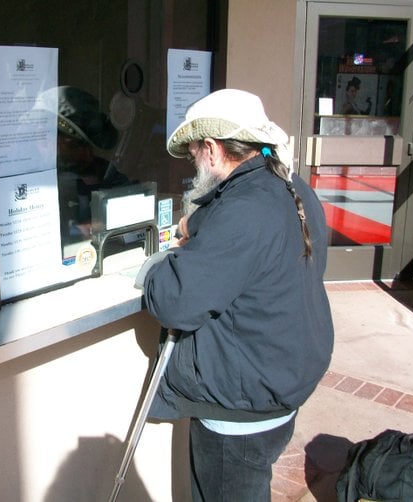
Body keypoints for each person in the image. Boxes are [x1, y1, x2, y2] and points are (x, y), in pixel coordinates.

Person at [136, 89, 334, 501]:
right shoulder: (288, 186)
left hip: (242, 409)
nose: (193, 165)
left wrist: (156, 267)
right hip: (280, 382)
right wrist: (201, 220)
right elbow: (246, 235)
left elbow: (176, 300)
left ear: (211, 149)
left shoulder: (245, 211)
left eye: (193, 153)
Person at [51, 86, 131, 243]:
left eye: (90, 147)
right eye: (75, 146)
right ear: (52, 139)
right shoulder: (35, 179)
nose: (87, 156)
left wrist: (106, 221)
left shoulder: (100, 170)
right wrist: (74, 229)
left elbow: (129, 196)